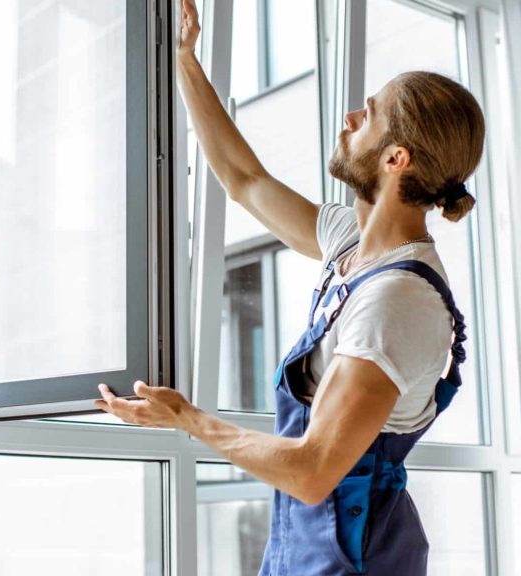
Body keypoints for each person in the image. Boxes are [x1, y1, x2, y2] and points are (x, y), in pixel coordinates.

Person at [96, 0, 485, 573]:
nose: (351, 117)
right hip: (304, 546)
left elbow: (311, 471)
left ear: (395, 158)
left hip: (355, 559)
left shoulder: (397, 302)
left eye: (368, 115)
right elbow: (245, 180)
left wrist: (188, 419)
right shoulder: (351, 242)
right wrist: (186, 61)